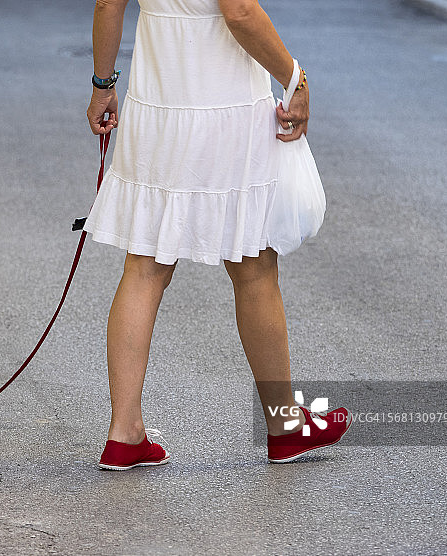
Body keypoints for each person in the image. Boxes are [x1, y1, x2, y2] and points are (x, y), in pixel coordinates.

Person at [84, 0, 351, 469]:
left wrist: (102, 84)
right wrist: (295, 79)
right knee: (254, 268)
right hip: (226, 105)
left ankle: (124, 434)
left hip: (157, 101)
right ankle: (286, 426)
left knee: (144, 266)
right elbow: (240, 11)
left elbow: (109, 2)